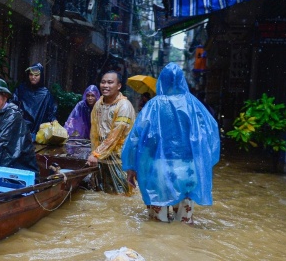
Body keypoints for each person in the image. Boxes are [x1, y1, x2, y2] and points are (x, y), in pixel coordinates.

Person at [122, 63, 220, 224]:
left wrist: (131, 167)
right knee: (184, 222)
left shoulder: (154, 105)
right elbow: (209, 134)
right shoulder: (194, 105)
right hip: (189, 169)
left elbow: (136, 138)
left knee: (157, 223)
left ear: (162, 81)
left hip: (159, 169)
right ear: (183, 80)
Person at [87, 71, 135, 194]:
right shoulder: (99, 103)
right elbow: (94, 132)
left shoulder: (124, 106)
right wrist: (95, 154)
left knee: (121, 197)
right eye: (103, 82)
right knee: (101, 194)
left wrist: (96, 154)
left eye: (110, 82)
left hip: (119, 160)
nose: (105, 85)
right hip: (101, 159)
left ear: (118, 86)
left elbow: (115, 135)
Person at [12, 62, 57, 137]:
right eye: (31, 74)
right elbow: (13, 105)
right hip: (21, 132)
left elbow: (51, 112)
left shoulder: (46, 94)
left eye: (36, 75)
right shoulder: (21, 89)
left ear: (41, 76)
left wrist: (54, 121)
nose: (33, 77)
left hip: (39, 134)